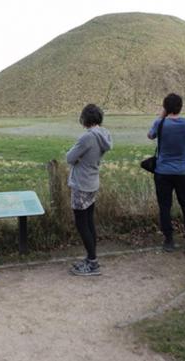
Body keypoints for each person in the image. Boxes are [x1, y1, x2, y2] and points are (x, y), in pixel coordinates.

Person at [147, 93, 185, 252]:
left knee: (165, 207)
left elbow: (150, 136)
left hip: (163, 172)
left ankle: (169, 240)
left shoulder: (160, 123)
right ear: (180, 106)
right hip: (183, 172)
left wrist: (162, 115)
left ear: (165, 107)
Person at [66, 104, 112, 276]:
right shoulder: (104, 135)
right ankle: (91, 258)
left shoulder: (87, 138)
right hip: (92, 181)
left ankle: (92, 263)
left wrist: (76, 156)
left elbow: (69, 157)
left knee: (81, 223)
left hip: (81, 183)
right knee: (89, 221)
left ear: (85, 119)